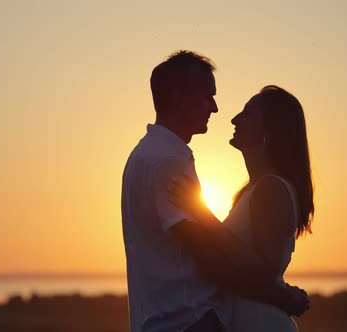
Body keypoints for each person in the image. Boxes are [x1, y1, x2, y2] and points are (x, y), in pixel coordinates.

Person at [121, 50, 309, 332]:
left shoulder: (153, 154)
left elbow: (228, 256)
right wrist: (282, 296)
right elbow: (208, 256)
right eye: (208, 96)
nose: (218, 110)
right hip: (186, 323)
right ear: (178, 98)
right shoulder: (167, 159)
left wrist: (203, 214)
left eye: (246, 113)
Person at [168, 85, 315, 331]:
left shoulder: (271, 188)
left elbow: (264, 270)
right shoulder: (253, 190)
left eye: (247, 113)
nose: (235, 119)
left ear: (270, 129)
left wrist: (203, 215)